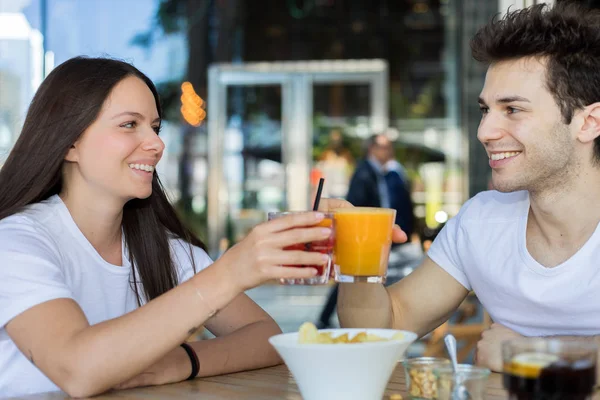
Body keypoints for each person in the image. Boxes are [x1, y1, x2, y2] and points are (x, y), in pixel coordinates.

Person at [0, 56, 338, 397]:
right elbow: (76, 370)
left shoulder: (167, 250)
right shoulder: (16, 241)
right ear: (70, 142)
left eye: (155, 127)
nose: (157, 144)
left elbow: (266, 336)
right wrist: (232, 271)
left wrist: (184, 360)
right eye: (130, 124)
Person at [337, 1, 600, 375]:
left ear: (588, 122)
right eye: (485, 110)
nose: (484, 132)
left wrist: (531, 354)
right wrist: (355, 243)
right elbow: (381, 329)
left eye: (512, 109)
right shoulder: (483, 220)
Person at [317, 133, 415, 328]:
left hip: (378, 233)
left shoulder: (386, 173)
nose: (388, 151)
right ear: (371, 148)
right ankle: (327, 317)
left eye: (389, 147)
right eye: (382, 146)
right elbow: (355, 203)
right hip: (363, 233)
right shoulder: (364, 171)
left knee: (356, 277)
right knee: (351, 276)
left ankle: (331, 317)